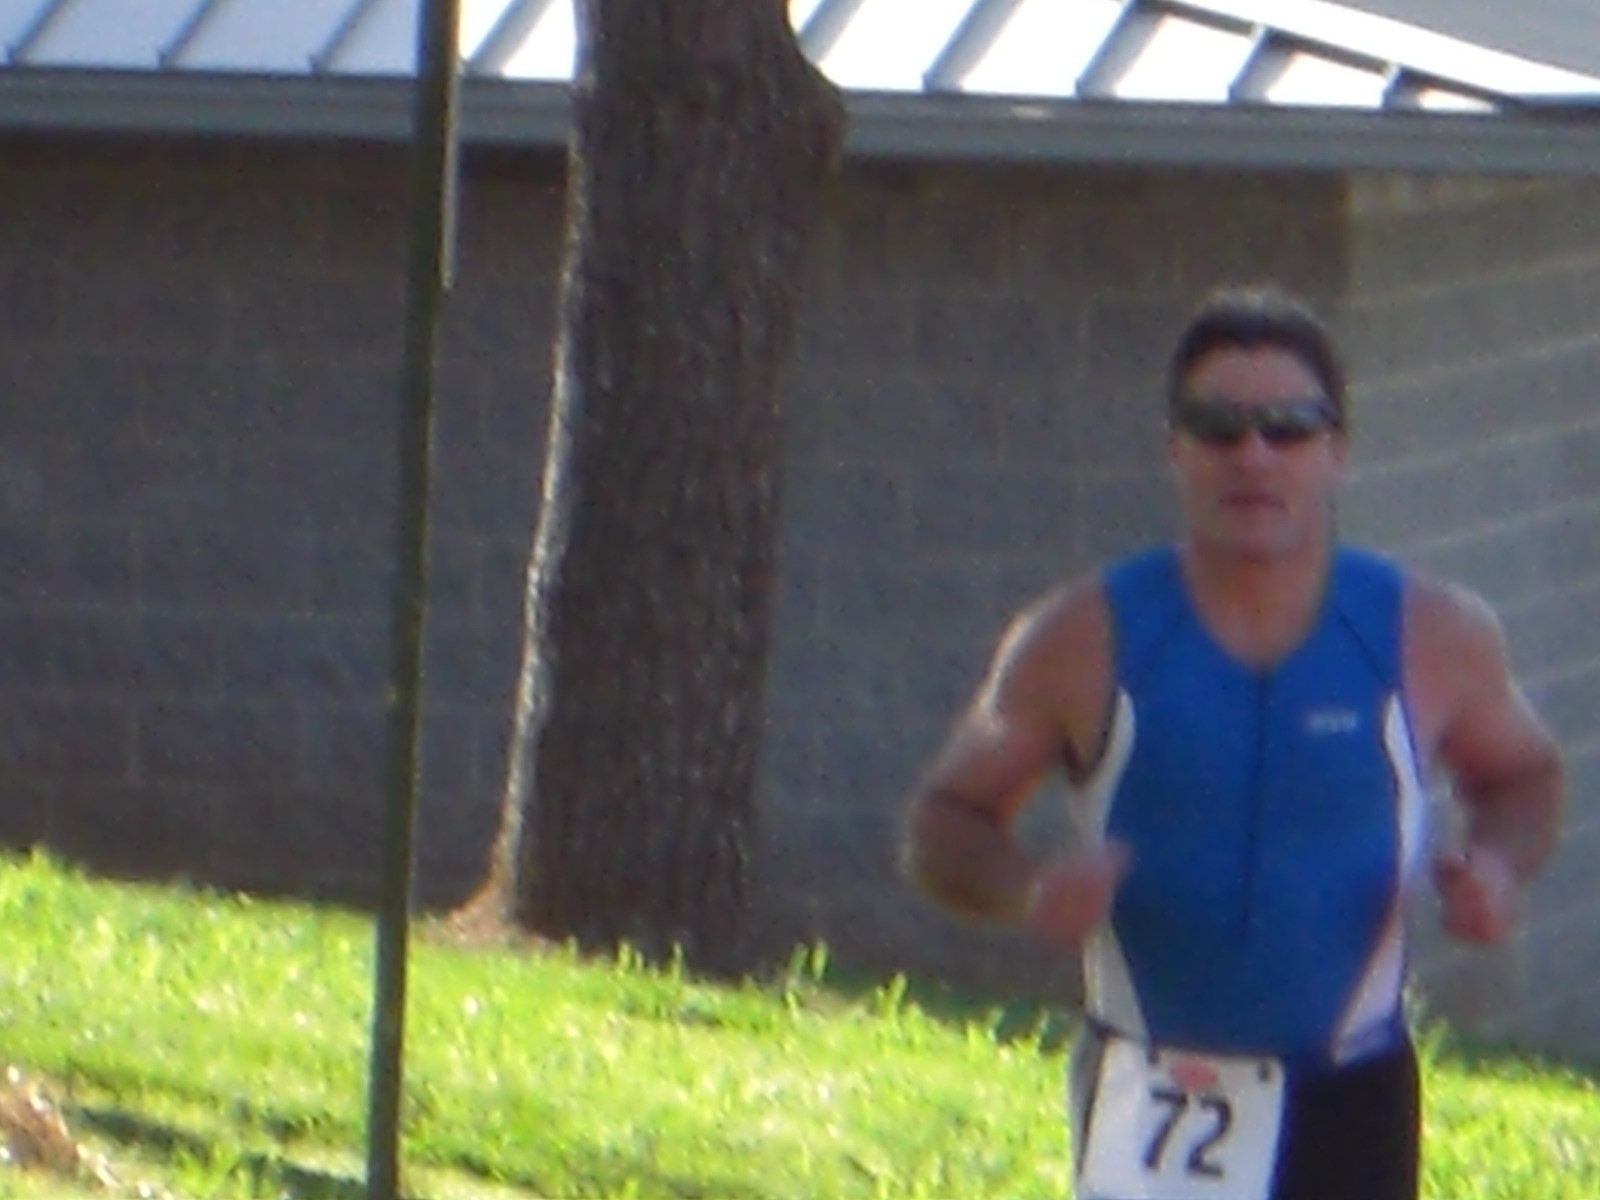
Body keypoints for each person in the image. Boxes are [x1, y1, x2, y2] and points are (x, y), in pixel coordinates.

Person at [900, 283, 1564, 1200]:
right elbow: (946, 819)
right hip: (1152, 1090)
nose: (1253, 455)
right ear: (1176, 450)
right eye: (1218, 428)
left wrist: (1496, 864)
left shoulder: (1431, 633)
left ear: (1336, 450)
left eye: (1288, 428)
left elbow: (1524, 775)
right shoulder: (1084, 635)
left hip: (1350, 1091)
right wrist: (1027, 888)